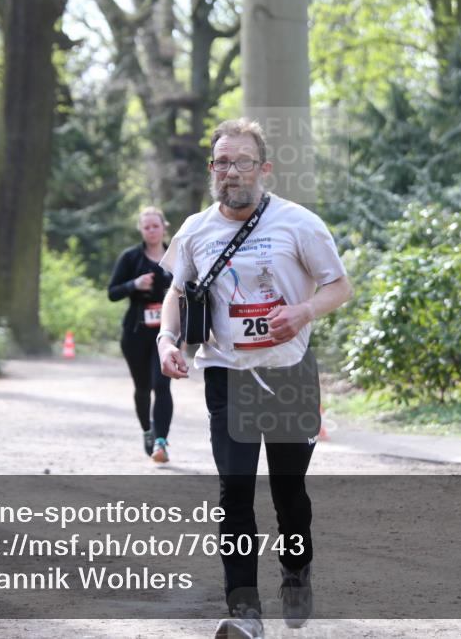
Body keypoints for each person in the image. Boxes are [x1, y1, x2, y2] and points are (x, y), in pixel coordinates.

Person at [157, 119, 353, 638]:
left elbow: (340, 286)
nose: (232, 172)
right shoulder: (195, 230)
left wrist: (304, 311)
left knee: (289, 493)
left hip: (288, 374)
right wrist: (167, 340)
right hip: (227, 373)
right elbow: (179, 290)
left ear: (264, 169)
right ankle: (244, 611)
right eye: (222, 162)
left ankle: (296, 569)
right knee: (234, 491)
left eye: (243, 162)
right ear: (212, 170)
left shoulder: (299, 224)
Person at [108, 207, 176, 463]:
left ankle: (161, 442)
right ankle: (148, 431)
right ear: (141, 229)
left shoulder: (175, 256)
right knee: (143, 388)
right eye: (146, 227)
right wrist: (134, 284)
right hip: (136, 333)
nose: (151, 230)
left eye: (155, 226)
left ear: (164, 227)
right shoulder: (130, 258)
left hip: (167, 333)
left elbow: (191, 287)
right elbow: (112, 292)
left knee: (162, 384)